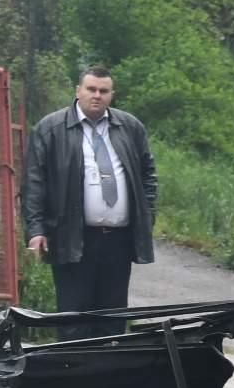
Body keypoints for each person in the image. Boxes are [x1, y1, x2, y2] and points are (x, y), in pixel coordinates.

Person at [22, 64, 158, 338]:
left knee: (112, 317)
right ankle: (73, 373)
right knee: (73, 317)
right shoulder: (50, 130)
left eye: (104, 91)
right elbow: (34, 184)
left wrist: (147, 216)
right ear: (78, 91)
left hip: (118, 241)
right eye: (91, 89)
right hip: (72, 237)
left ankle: (107, 375)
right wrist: (36, 230)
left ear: (111, 94)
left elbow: (148, 176)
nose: (97, 95)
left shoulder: (129, 128)